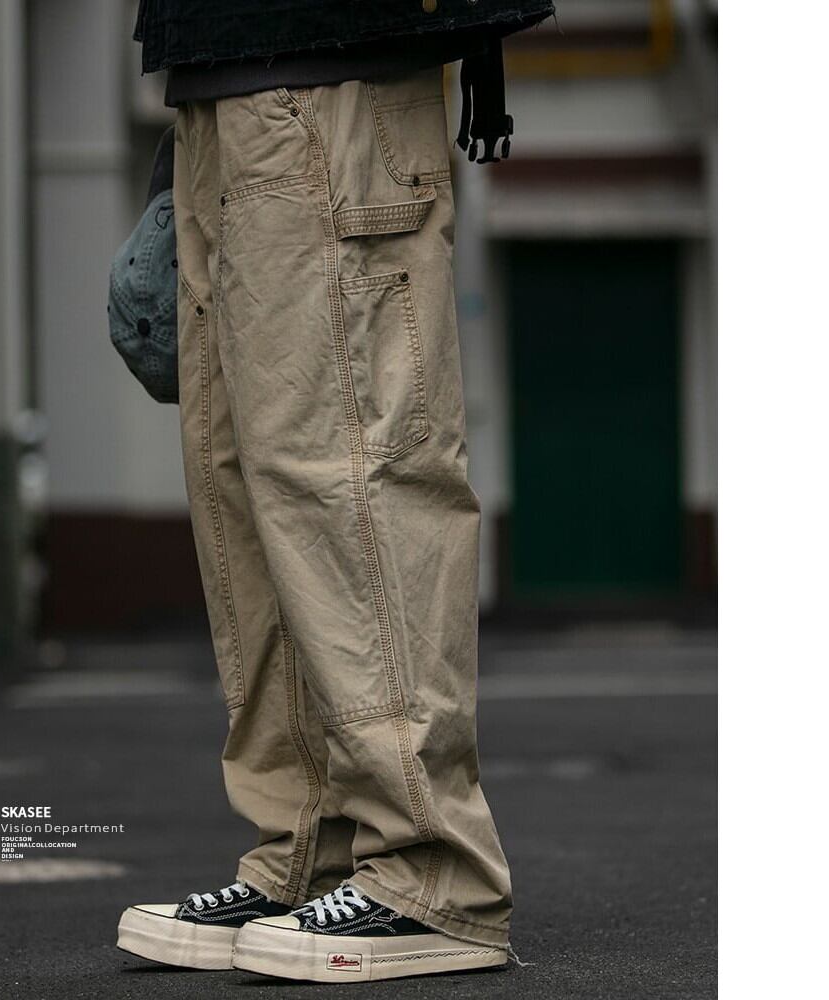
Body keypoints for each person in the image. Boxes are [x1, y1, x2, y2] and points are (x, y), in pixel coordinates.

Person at [116, 0, 554, 984]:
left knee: (351, 474)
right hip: (225, 77)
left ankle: (434, 876)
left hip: (324, 66)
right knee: (250, 487)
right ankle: (312, 848)